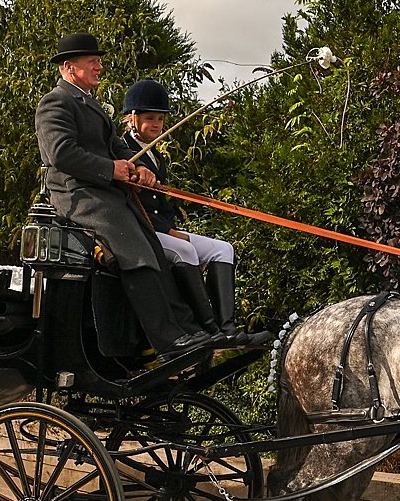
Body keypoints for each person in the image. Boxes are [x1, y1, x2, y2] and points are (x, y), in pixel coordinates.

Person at [34, 32, 216, 358]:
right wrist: (111, 169)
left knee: (154, 250)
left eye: (98, 61)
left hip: (105, 193)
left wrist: (138, 169)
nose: (99, 66)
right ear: (69, 66)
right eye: (93, 61)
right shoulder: (55, 102)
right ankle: (166, 341)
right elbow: (61, 154)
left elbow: (116, 147)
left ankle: (190, 330)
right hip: (77, 195)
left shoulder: (91, 104)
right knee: (135, 249)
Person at [119, 79, 258, 339]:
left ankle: (226, 328)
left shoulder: (155, 156)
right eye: (151, 119)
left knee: (223, 249)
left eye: (161, 119)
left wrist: (172, 228)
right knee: (184, 249)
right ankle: (206, 329)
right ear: (132, 119)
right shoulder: (125, 152)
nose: (157, 125)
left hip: (165, 229)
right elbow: (132, 205)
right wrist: (168, 232)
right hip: (142, 233)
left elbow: (163, 205)